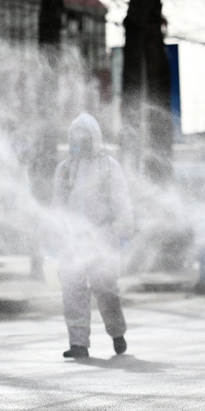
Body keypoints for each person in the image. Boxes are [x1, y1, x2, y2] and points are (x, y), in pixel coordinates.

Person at [52, 112, 133, 360]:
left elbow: (122, 203)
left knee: (105, 289)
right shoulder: (65, 171)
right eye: (75, 136)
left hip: (103, 236)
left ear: (95, 137)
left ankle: (117, 332)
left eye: (84, 135)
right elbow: (57, 207)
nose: (80, 141)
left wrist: (124, 233)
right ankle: (78, 344)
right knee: (73, 291)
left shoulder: (109, 167)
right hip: (73, 241)